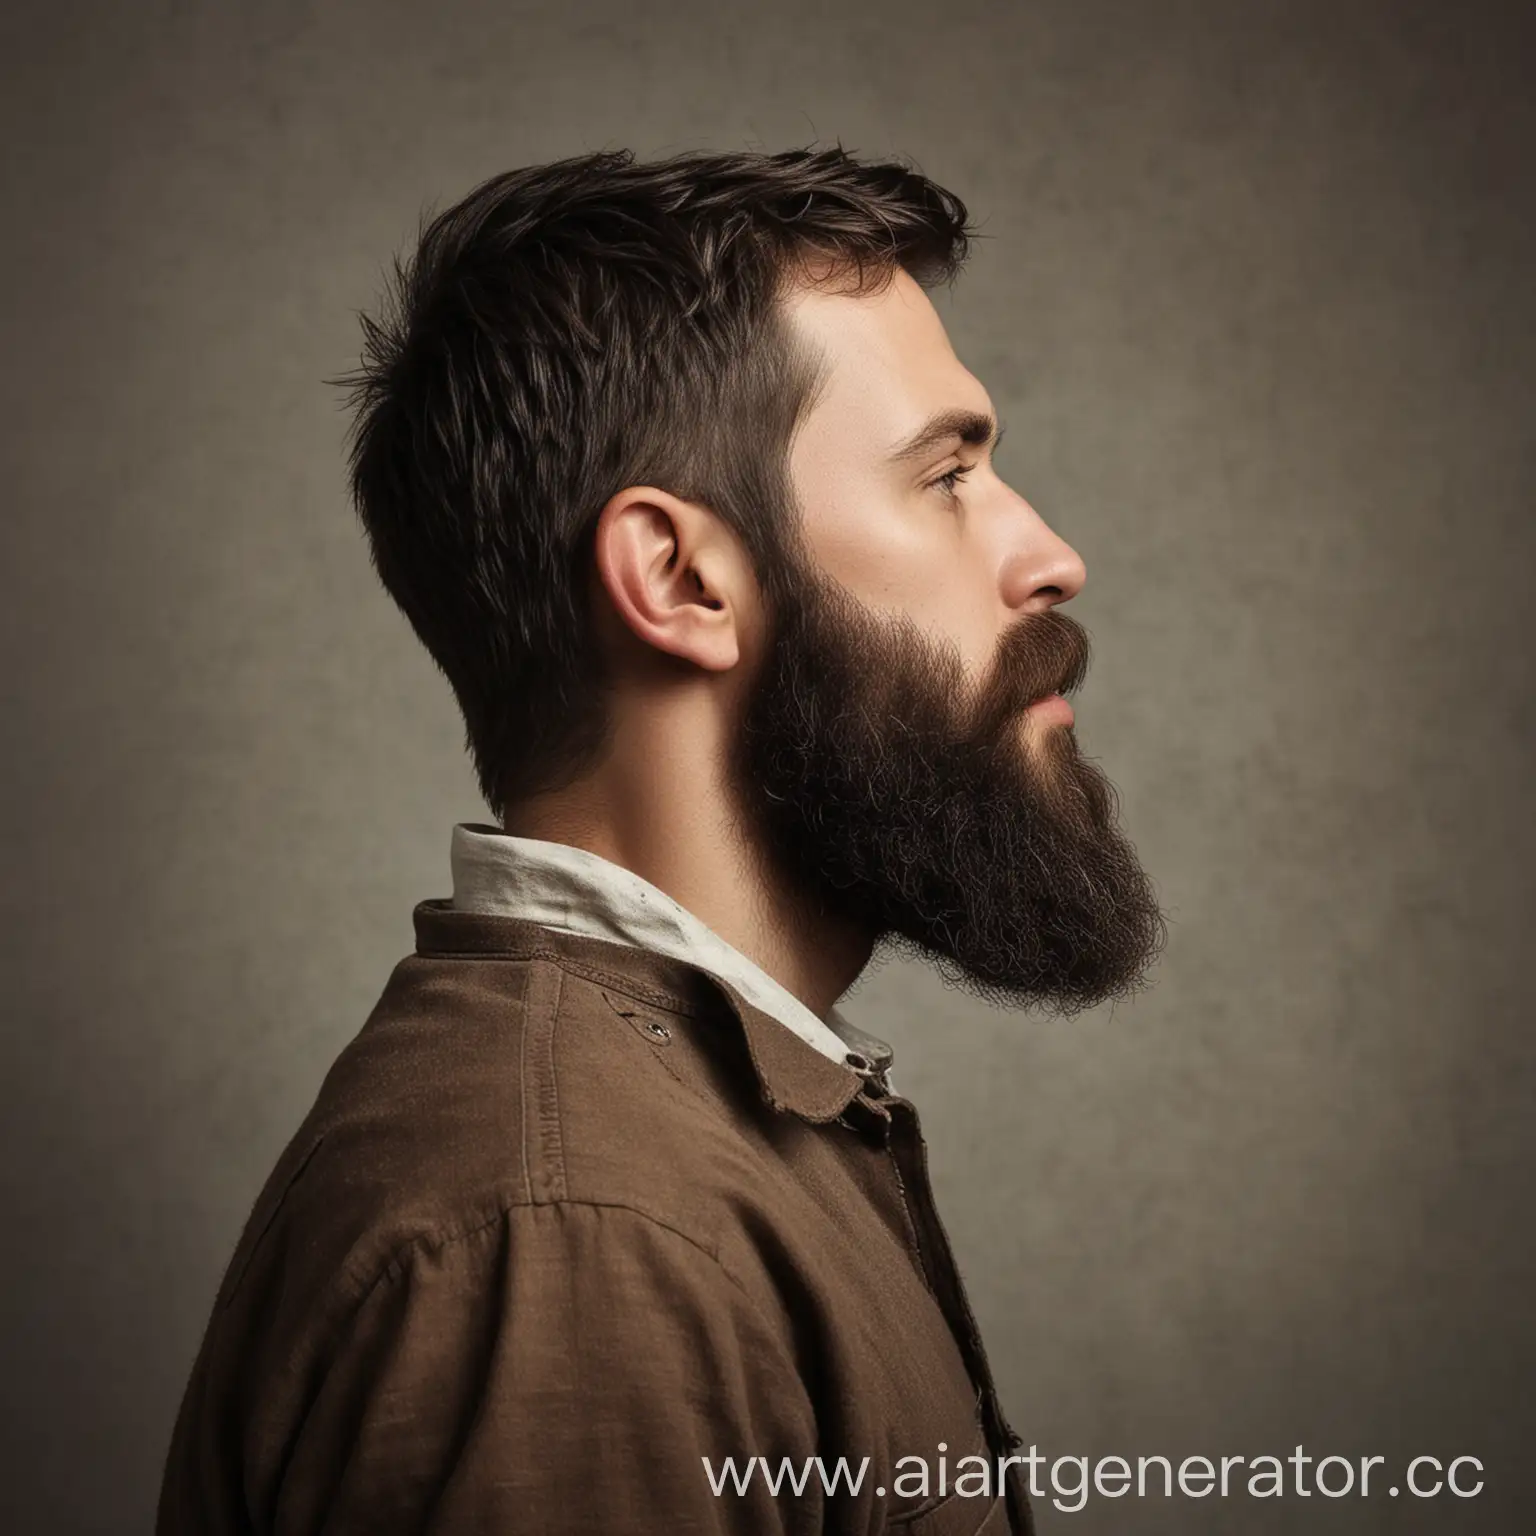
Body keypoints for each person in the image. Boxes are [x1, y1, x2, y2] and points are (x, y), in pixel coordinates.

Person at [157, 144, 1166, 1535]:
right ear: (681, 578)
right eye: (945, 477)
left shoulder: (662, 1145)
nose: (1049, 555)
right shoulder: (574, 1243)